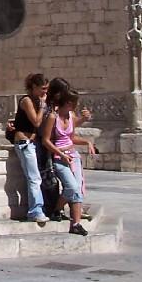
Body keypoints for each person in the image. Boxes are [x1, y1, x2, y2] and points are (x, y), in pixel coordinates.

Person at [40, 87, 95, 236]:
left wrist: (87, 141)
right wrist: (60, 154)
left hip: (72, 155)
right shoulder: (53, 117)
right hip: (59, 156)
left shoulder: (71, 116)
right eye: (74, 103)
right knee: (71, 186)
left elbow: (71, 138)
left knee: (77, 188)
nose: (76, 106)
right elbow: (45, 140)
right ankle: (57, 209)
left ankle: (75, 224)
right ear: (68, 102)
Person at [9, 73, 51, 224]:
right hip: (24, 143)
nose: (45, 92)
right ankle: (35, 211)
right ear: (34, 87)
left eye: (47, 89)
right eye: (43, 88)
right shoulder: (27, 101)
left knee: (36, 177)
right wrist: (43, 106)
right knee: (34, 178)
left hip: (33, 143)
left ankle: (40, 207)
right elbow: (36, 122)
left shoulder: (36, 101)